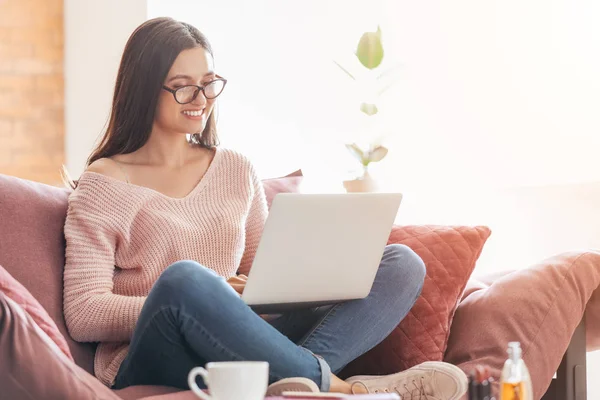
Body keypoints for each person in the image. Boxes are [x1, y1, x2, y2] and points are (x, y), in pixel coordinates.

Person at [62, 17, 467, 399]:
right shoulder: (106, 183)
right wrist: (209, 296)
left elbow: (264, 280)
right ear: (144, 89)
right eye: (183, 86)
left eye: (209, 83)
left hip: (240, 339)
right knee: (184, 281)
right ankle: (345, 389)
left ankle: (294, 381)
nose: (201, 99)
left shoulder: (236, 169)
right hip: (159, 351)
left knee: (401, 264)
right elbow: (83, 311)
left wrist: (272, 289)